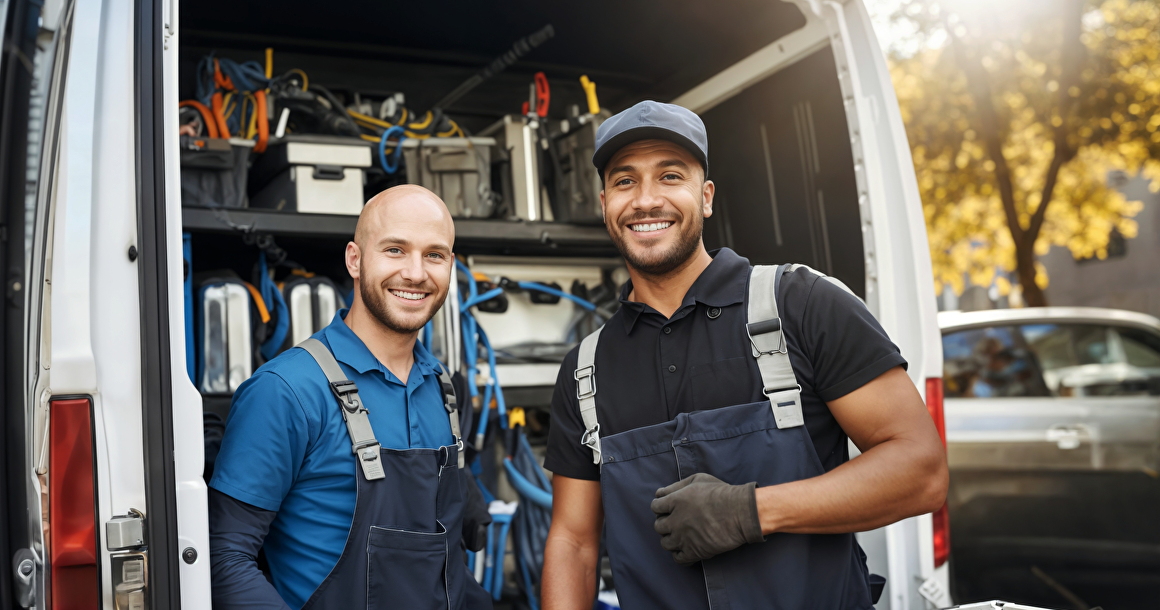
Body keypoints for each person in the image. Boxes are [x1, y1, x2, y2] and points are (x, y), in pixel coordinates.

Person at [541, 101, 949, 609]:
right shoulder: (587, 369)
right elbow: (573, 543)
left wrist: (752, 510)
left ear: (705, 197)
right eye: (625, 182)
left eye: (670, 176)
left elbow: (921, 471)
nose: (646, 200)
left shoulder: (802, 304)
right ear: (604, 203)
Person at [209, 185, 491, 609]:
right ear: (354, 260)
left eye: (434, 254)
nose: (416, 273)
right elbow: (223, 557)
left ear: (450, 264)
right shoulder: (287, 390)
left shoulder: (443, 389)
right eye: (395, 250)